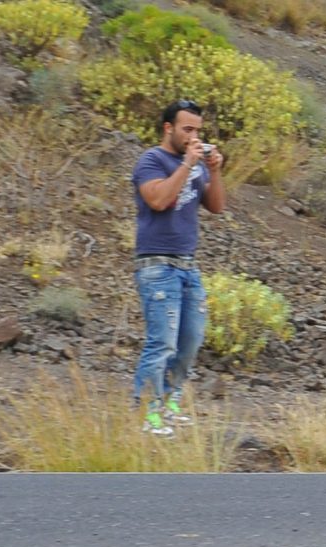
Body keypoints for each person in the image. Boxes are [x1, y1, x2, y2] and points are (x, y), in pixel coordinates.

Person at [131, 98, 225, 436]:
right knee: (162, 344)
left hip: (187, 265)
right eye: (187, 129)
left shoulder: (196, 163)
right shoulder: (151, 161)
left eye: (197, 130)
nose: (193, 136)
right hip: (158, 266)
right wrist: (187, 165)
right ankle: (148, 414)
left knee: (189, 343)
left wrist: (214, 170)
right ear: (168, 128)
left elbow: (216, 206)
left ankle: (170, 405)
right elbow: (158, 200)